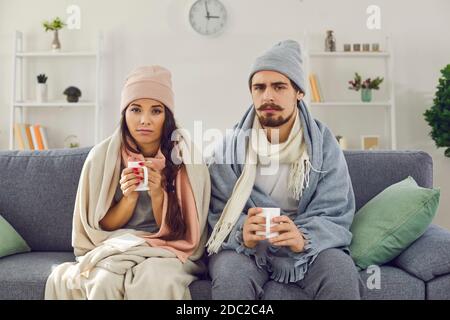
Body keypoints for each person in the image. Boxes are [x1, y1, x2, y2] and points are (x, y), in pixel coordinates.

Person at [207, 40, 364, 300]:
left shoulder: (323, 143)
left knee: (340, 272)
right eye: (259, 88)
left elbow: (336, 209)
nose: (268, 96)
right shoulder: (230, 145)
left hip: (305, 242)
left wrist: (303, 237)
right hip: (248, 247)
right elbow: (217, 210)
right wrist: (242, 231)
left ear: (298, 92)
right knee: (231, 276)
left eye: (279, 87)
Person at [45, 65, 210, 299]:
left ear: (167, 116)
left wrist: (158, 195)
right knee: (102, 281)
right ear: (124, 113)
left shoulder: (186, 158)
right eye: (135, 109)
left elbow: (183, 235)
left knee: (154, 280)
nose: (145, 120)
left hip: (169, 249)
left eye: (155, 111)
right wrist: (129, 198)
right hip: (117, 244)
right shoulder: (102, 157)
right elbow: (100, 227)